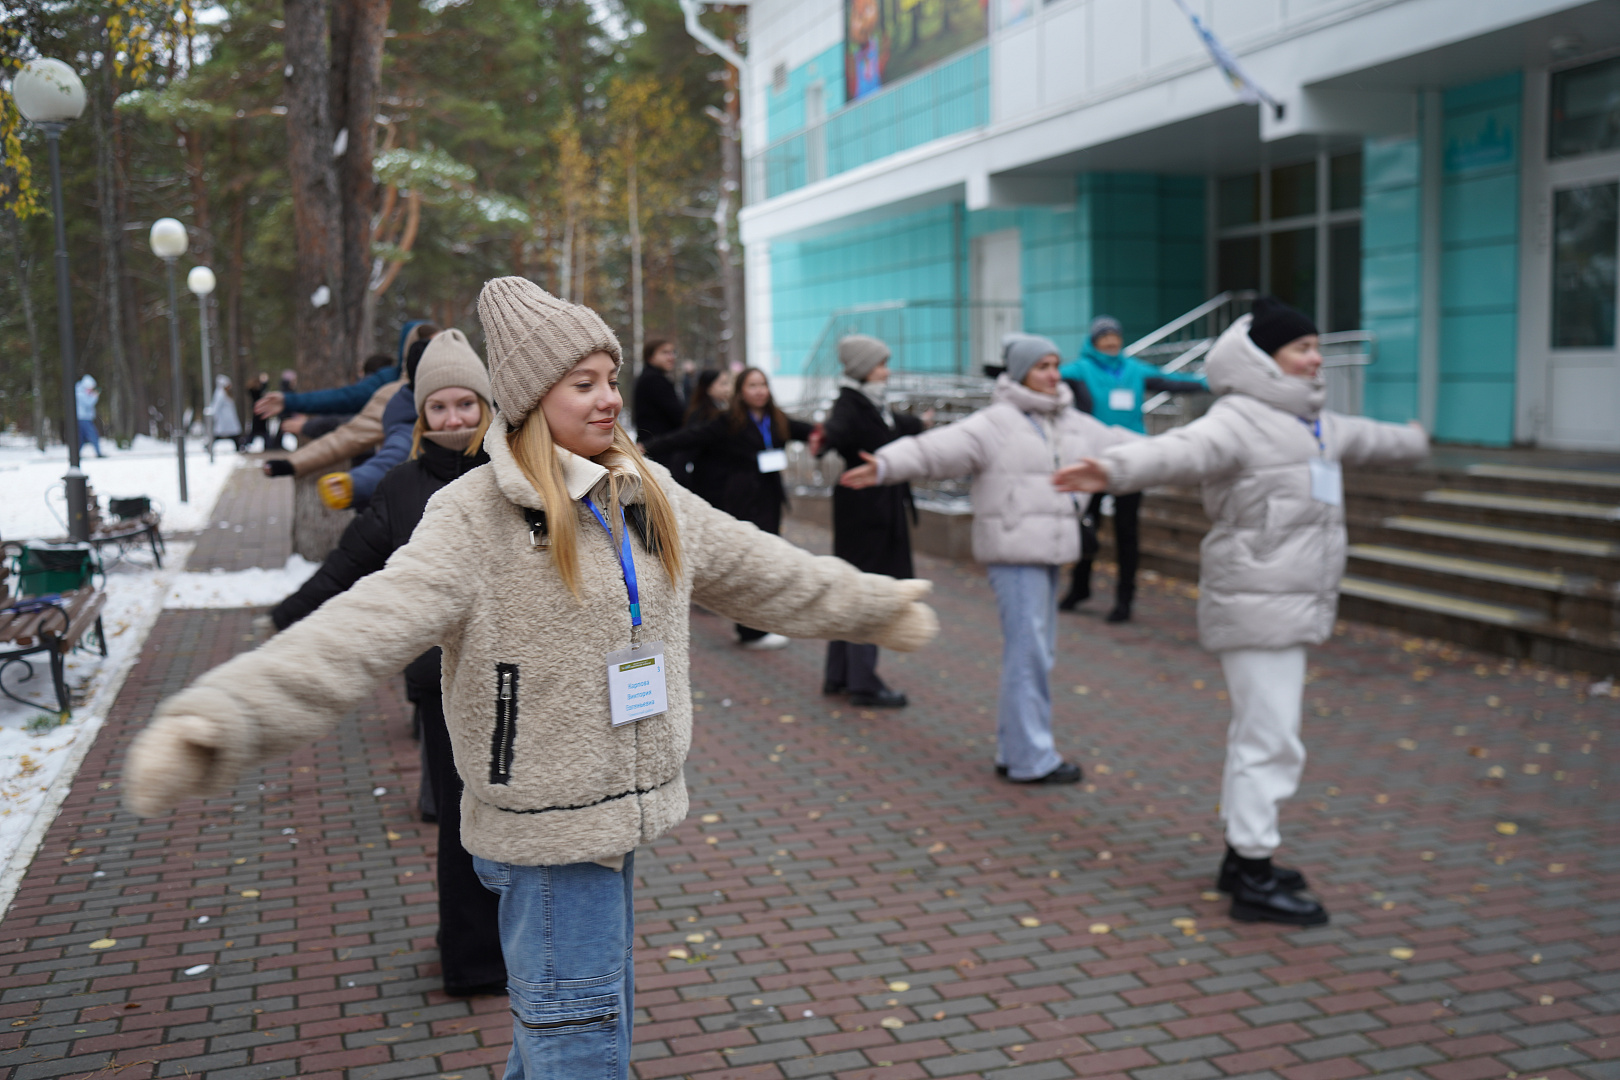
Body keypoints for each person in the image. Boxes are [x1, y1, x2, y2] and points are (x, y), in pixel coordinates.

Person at [121, 275, 939, 1080]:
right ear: (529, 396)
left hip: (621, 818)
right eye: (583, 383)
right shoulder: (472, 516)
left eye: (611, 379)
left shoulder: (643, 490)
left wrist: (875, 606)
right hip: (546, 835)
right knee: (580, 1050)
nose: (608, 398)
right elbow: (361, 629)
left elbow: (764, 571)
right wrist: (223, 718)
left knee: (570, 1038)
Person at [1053, 297, 1428, 925]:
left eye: (1316, 348)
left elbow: (1366, 436)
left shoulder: (1312, 422)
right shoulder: (1240, 419)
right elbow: (1180, 450)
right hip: (1256, 602)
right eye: (1302, 349)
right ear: (1264, 359)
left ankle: (1242, 857)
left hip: (1288, 600)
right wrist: (1115, 469)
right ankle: (1254, 876)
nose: (1316, 360)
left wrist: (1413, 440)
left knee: (1258, 734)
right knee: (1272, 740)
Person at [267, 331, 504, 996]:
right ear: (421, 415)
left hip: (518, 678)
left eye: (467, 404)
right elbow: (349, 561)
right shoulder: (402, 486)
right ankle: (472, 959)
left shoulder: (514, 475)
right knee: (461, 827)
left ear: (487, 405)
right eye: (440, 408)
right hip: (441, 682)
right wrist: (285, 617)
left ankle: (526, 943)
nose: (454, 419)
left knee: (519, 821)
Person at [841, 334, 1137, 784]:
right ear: (1019, 373)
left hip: (1052, 551)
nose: (1054, 375)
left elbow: (1125, 445)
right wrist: (885, 466)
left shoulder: (1070, 420)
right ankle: (1030, 758)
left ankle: (1016, 748)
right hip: (1014, 553)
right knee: (1029, 655)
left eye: (1056, 365)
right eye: (1042, 366)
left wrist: (1192, 454)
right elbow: (934, 449)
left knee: (1035, 653)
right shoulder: (997, 422)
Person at [645, 367, 816, 650]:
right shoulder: (729, 421)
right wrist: (648, 446)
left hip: (769, 498)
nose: (760, 390)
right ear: (741, 392)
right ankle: (749, 630)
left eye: (763, 384)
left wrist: (828, 435)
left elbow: (808, 431)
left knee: (768, 561)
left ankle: (759, 626)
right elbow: (689, 437)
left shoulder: (776, 419)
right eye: (752, 385)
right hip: (743, 499)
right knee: (750, 563)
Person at [1059, 315, 1209, 622]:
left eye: (1116, 336)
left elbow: (1174, 382)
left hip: (1132, 461)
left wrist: (1212, 383)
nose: (1112, 341)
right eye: (1105, 337)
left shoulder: (1134, 370)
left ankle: (1125, 599)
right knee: (1086, 525)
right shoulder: (1079, 370)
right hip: (1093, 461)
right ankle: (1079, 587)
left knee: (1128, 531)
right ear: (1094, 341)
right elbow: (1044, 378)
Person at [818, 335, 928, 708]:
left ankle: (839, 674)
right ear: (865, 369)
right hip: (866, 511)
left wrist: (919, 423)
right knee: (868, 589)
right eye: (882, 364)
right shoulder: (850, 404)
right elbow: (837, 429)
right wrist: (823, 438)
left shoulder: (869, 401)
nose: (887, 370)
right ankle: (863, 681)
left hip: (876, 506)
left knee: (853, 587)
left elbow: (892, 425)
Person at [673, 369, 732, 501]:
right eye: (723, 384)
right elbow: (686, 447)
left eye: (728, 383)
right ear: (709, 388)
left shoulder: (722, 409)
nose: (728, 389)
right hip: (708, 484)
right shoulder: (702, 415)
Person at [634, 339, 686, 465]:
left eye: (673, 353)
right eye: (665, 353)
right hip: (658, 446)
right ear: (650, 357)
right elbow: (677, 414)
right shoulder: (654, 380)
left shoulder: (651, 377)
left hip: (654, 444)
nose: (671, 357)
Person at [208, 375, 243, 452]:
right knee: (220, 434)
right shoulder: (220, 394)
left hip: (228, 418)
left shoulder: (225, 393)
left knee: (233, 434)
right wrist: (215, 416)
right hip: (224, 418)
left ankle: (239, 446)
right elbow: (216, 406)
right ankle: (209, 445)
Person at [74, 375, 104, 458]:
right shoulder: (80, 394)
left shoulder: (81, 392)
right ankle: (98, 453)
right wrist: (94, 396)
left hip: (84, 418)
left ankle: (75, 455)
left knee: (82, 439)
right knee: (93, 435)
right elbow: (88, 403)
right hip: (83, 419)